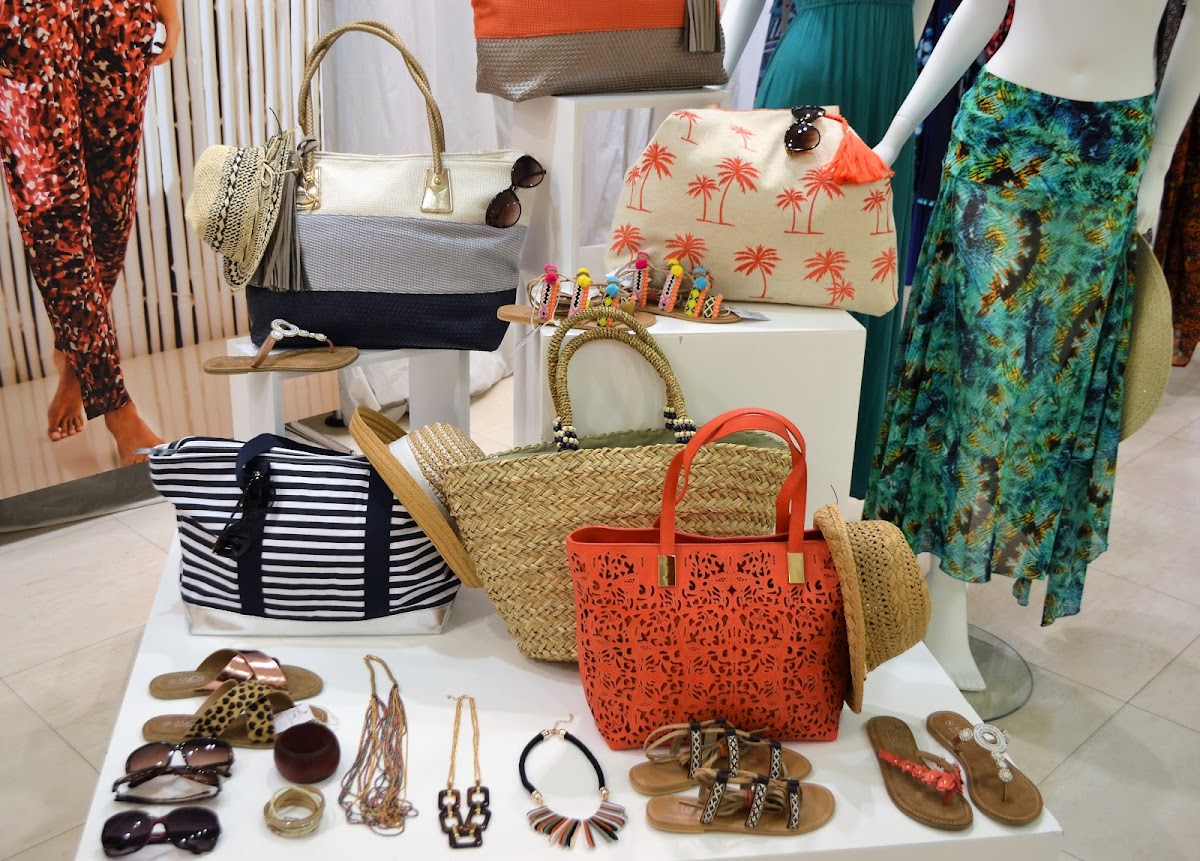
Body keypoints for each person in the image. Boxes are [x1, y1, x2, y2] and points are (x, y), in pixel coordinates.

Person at [864, 0, 1200, 688]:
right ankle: (945, 596)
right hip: (1005, 129)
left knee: (1049, 387)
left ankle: (950, 580)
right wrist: (897, 134)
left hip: (1112, 153)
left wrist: (1159, 164)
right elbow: (982, 5)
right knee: (979, 373)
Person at [0, 0, 180, 464]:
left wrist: (169, 8)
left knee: (111, 213)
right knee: (56, 218)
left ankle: (75, 356)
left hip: (117, 13)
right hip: (26, 18)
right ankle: (119, 409)